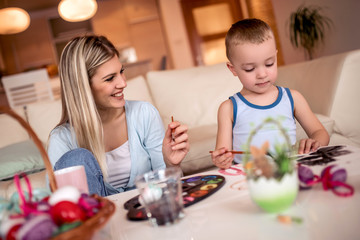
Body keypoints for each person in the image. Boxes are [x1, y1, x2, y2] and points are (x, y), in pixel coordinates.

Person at [47, 35, 189, 196]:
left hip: (149, 211)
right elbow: (59, 204)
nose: (123, 83)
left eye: (121, 72)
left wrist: (172, 165)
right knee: (76, 159)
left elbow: (169, 191)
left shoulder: (144, 114)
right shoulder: (61, 139)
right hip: (99, 217)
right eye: (110, 78)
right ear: (83, 87)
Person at [211, 18, 329, 169]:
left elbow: (319, 132)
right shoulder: (228, 108)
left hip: (288, 172)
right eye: (249, 69)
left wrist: (315, 142)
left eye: (269, 64)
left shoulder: (293, 98)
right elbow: (223, 153)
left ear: (276, 56)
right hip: (248, 180)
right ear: (233, 69)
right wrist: (221, 159)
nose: (262, 74)